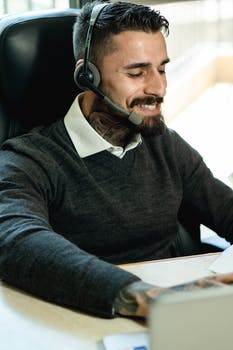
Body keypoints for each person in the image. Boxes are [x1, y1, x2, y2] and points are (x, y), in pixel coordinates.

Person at [0, 0, 233, 319]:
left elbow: (227, 209)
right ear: (87, 75)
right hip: (84, 321)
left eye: (162, 68)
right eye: (137, 72)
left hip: (178, 314)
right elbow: (14, 239)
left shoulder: (164, 145)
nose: (159, 87)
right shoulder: (30, 159)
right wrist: (142, 297)